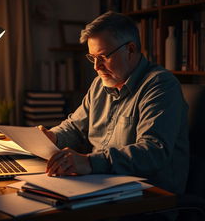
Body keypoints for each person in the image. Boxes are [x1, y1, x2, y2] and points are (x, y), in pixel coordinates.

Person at [39, 11, 189, 199]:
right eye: (92, 57)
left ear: (131, 49)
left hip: (148, 198)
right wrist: (52, 136)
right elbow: (75, 127)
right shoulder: (100, 85)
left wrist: (89, 162)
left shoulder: (161, 85)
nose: (96, 67)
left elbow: (152, 151)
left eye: (103, 56)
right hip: (104, 187)